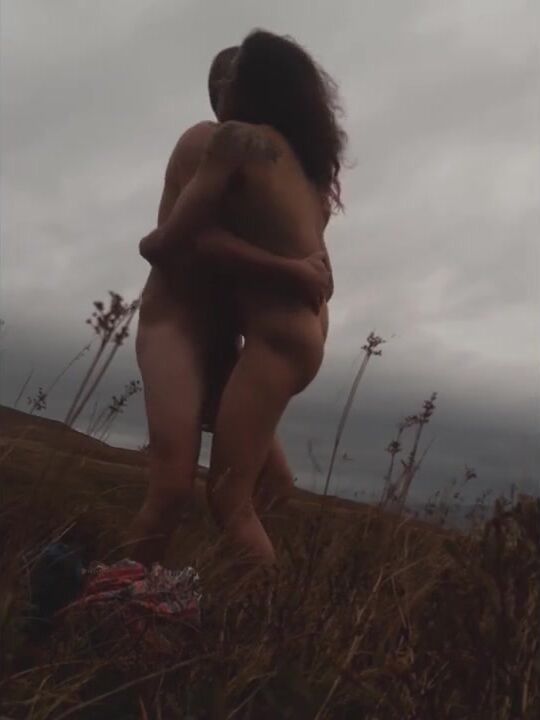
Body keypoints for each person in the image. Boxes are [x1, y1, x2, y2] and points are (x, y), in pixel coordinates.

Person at [142, 30, 346, 566]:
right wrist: (292, 273)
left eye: (234, 77)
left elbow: (174, 242)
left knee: (233, 496)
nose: (225, 88)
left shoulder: (265, 159)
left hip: (241, 339)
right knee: (183, 487)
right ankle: (130, 595)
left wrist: (291, 274)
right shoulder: (211, 143)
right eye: (221, 80)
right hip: (188, 325)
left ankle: (236, 596)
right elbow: (185, 246)